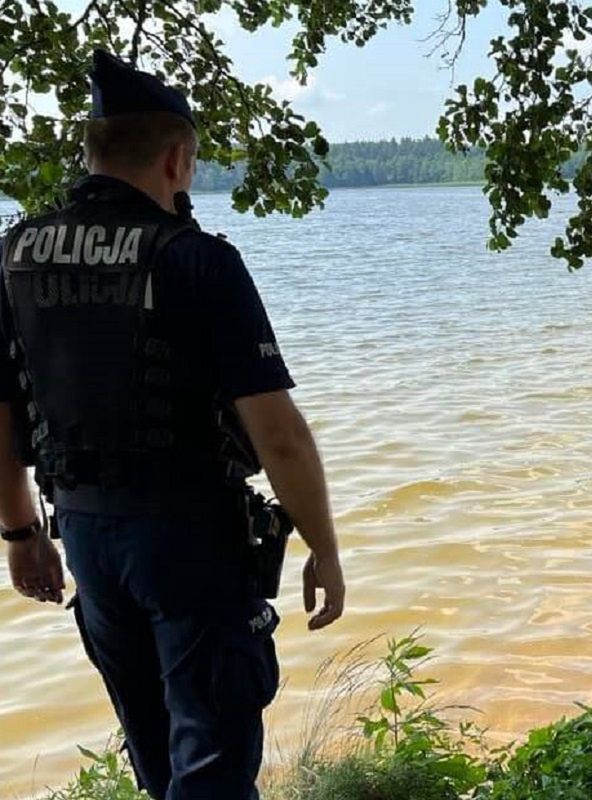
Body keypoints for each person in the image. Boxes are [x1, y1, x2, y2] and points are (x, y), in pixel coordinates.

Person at [0, 51, 346, 799]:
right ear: (177, 158)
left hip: (87, 538)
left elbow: (2, 406)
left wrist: (20, 533)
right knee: (214, 760)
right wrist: (324, 545)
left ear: (90, 152)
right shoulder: (197, 261)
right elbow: (278, 433)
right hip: (189, 540)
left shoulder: (16, 254)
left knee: (157, 751)